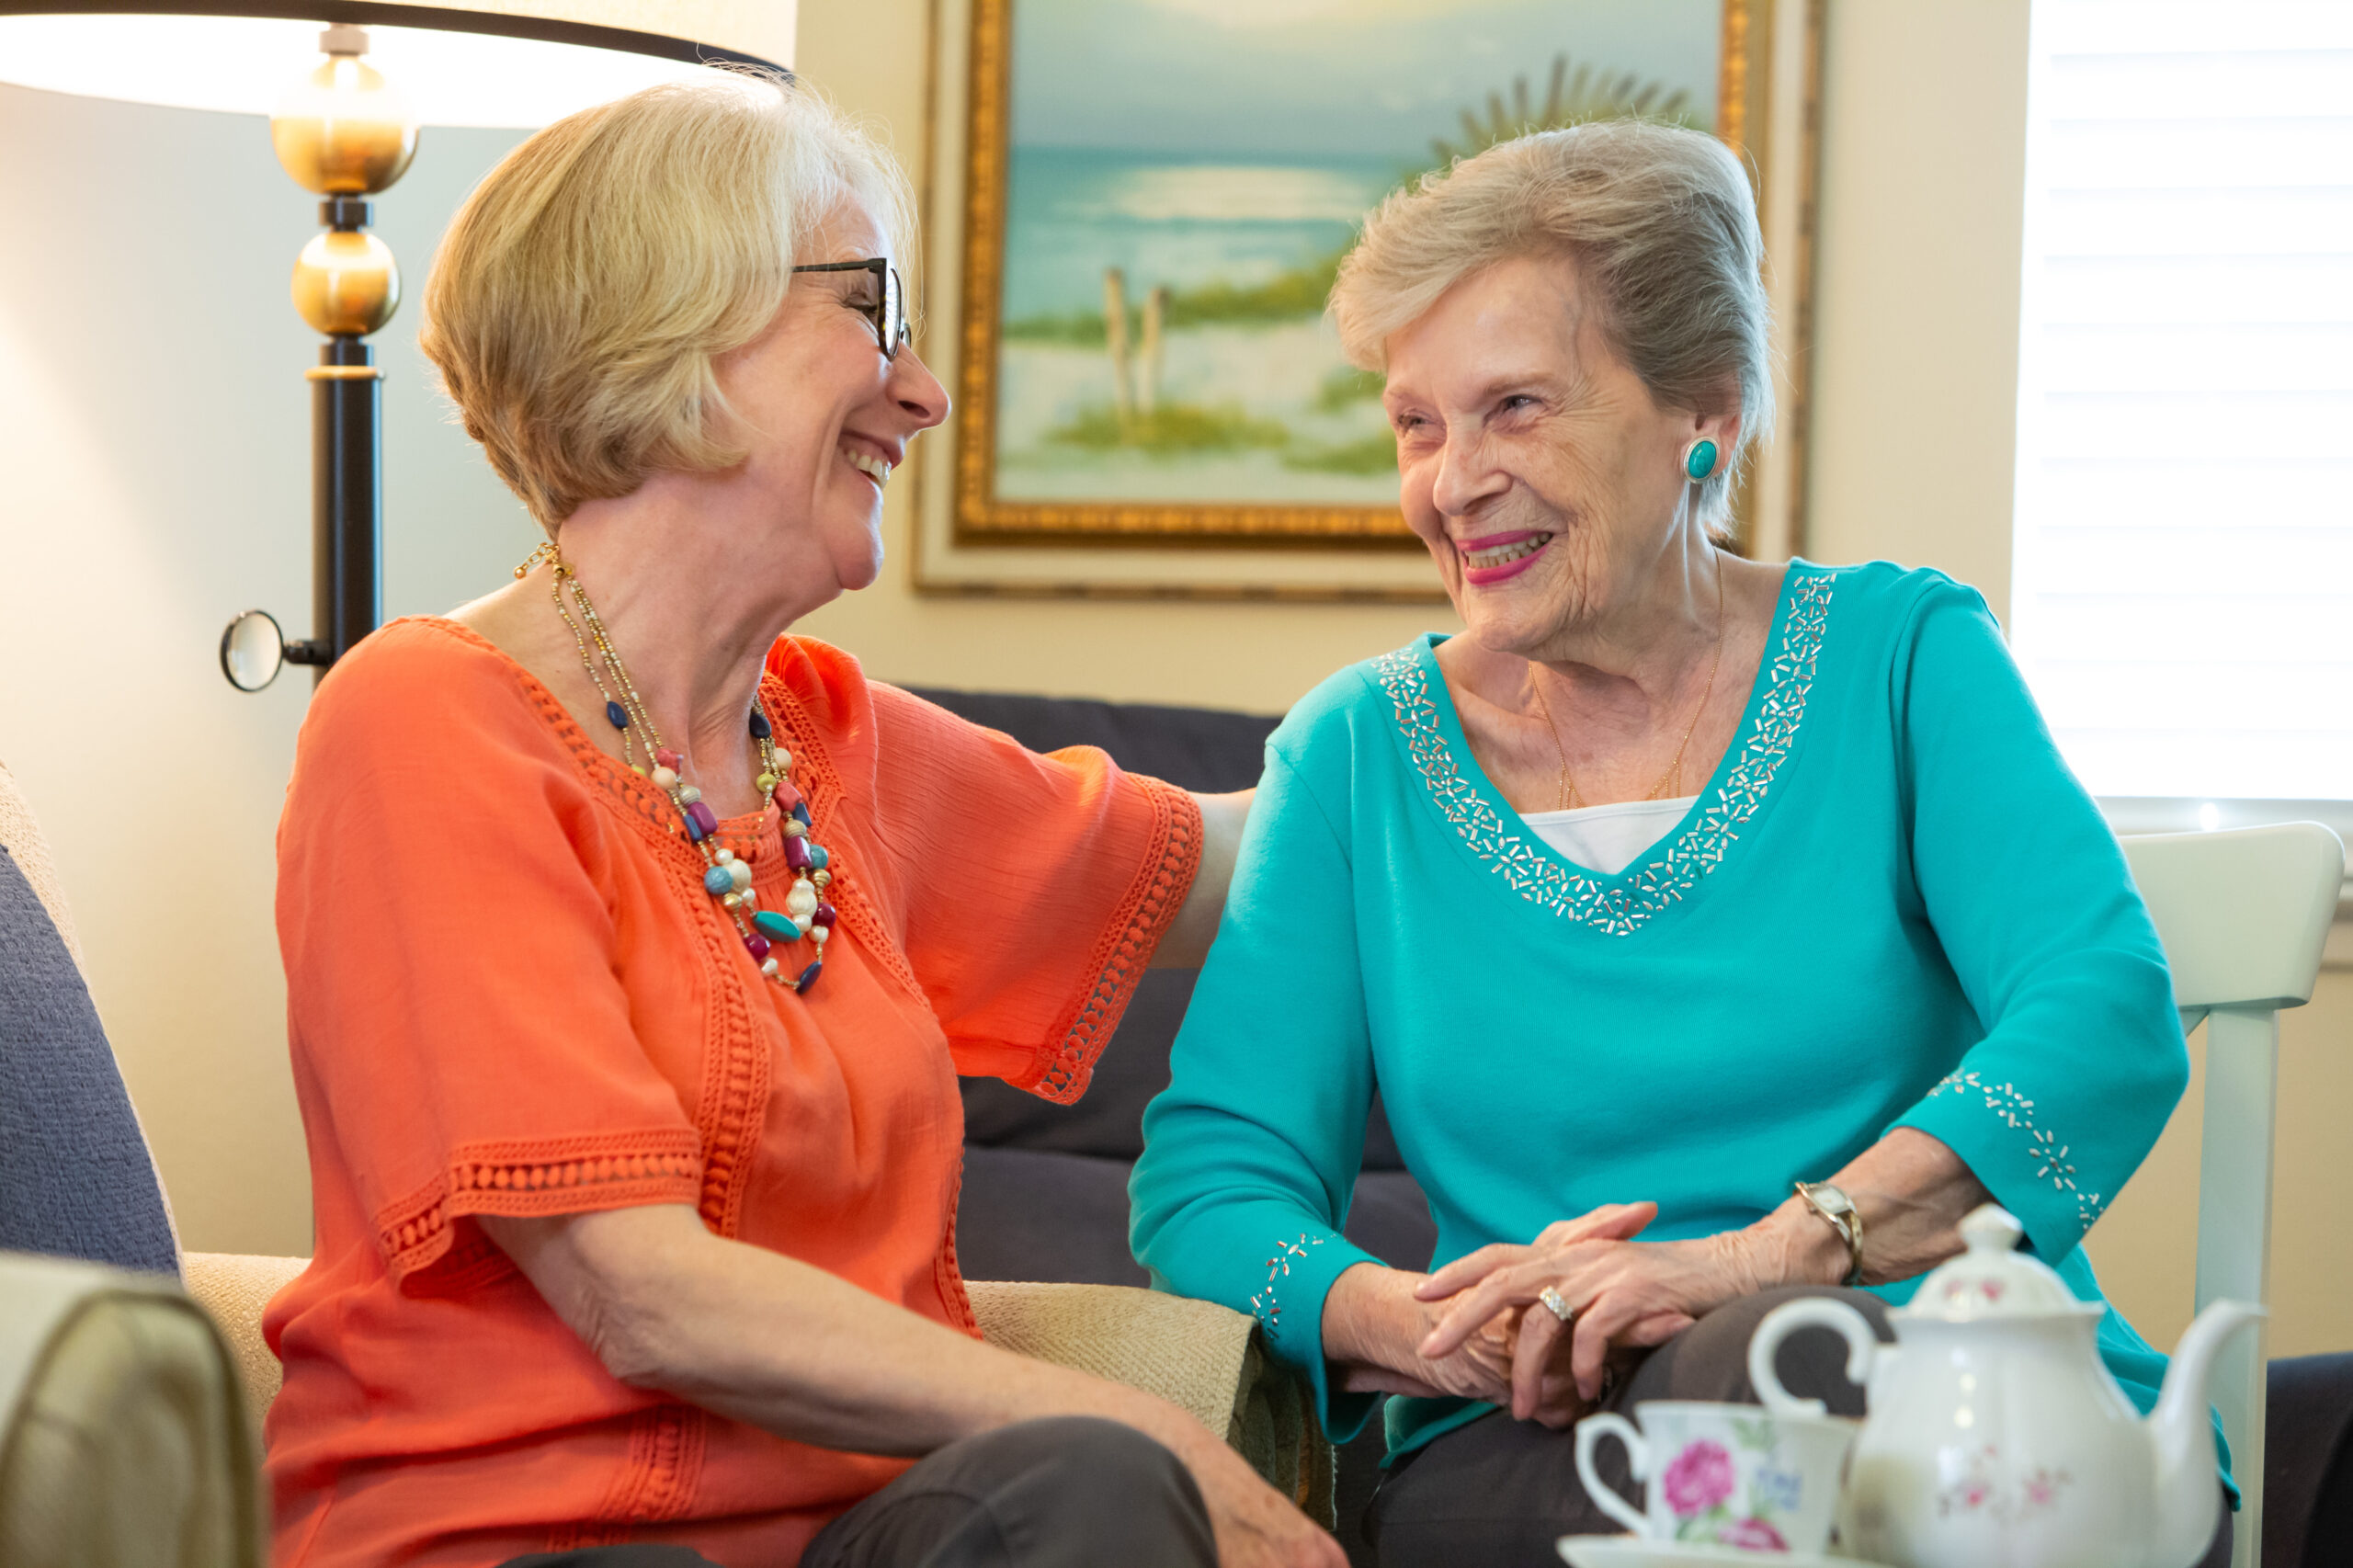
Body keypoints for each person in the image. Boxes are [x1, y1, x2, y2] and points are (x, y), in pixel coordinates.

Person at [264, 74, 1340, 1568]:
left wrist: (1532, 668)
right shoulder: (431, 721)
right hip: (524, 1540)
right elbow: (639, 1291)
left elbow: (1255, 853)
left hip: (842, 1536)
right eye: (871, 309)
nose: (923, 391)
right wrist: (1147, 1417)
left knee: (1083, 1495)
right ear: (673, 320)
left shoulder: (819, 740)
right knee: (1107, 1456)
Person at [1127, 119, 2227, 1567]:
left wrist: (1746, 1266)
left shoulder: (1901, 661)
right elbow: (1213, 1180)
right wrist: (1423, 1320)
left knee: (1789, 1362)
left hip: (1931, 1412)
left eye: (1514, 406)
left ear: (1698, 410)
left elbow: (2101, 1012)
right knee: (1741, 1409)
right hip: (1528, 1442)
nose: (1452, 482)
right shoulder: (1356, 754)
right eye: (1416, 422)